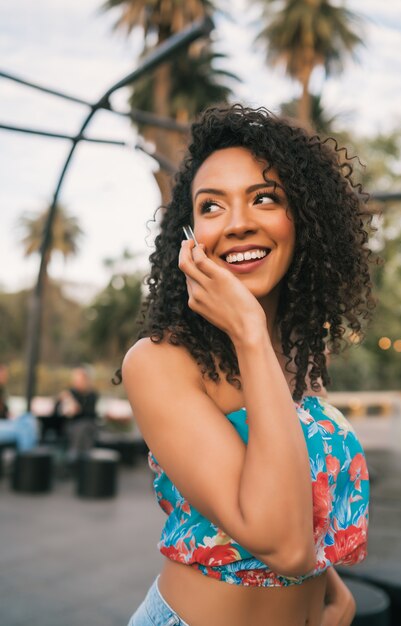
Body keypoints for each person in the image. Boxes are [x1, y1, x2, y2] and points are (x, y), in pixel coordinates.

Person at [121, 105, 374, 626]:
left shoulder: (289, 354)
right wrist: (249, 332)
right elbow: (284, 548)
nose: (237, 223)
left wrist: (333, 590)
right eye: (211, 207)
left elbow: (287, 486)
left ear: (302, 218)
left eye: (264, 198)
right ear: (190, 236)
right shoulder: (158, 362)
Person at [55, 366, 98, 461]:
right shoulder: (69, 393)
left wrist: (78, 409)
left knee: (83, 427)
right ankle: (83, 456)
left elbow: (90, 413)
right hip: (71, 426)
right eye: (76, 379)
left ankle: (74, 454)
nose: (77, 382)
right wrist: (60, 402)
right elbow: (57, 412)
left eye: (80, 379)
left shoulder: (91, 394)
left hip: (87, 425)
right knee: (80, 429)